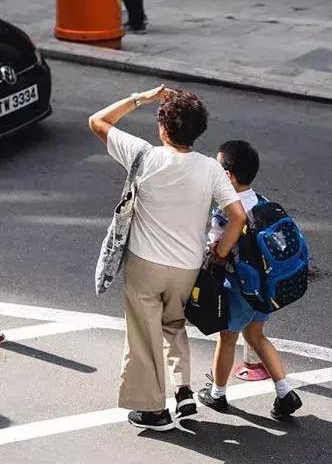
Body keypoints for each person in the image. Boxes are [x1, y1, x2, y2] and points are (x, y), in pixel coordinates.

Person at [88, 87, 247, 432]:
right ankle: (183, 389)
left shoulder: (143, 155)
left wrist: (140, 99)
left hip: (145, 263)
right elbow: (238, 216)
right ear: (198, 130)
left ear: (162, 127)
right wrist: (219, 254)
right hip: (187, 267)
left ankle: (153, 411)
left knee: (144, 336)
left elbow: (98, 121)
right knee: (173, 325)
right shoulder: (210, 169)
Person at [198, 140, 303, 421]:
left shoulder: (226, 211)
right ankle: (285, 392)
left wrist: (213, 252)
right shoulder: (262, 202)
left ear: (228, 176)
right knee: (256, 336)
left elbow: (217, 249)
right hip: (265, 286)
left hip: (239, 289)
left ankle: (217, 393)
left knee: (227, 339)